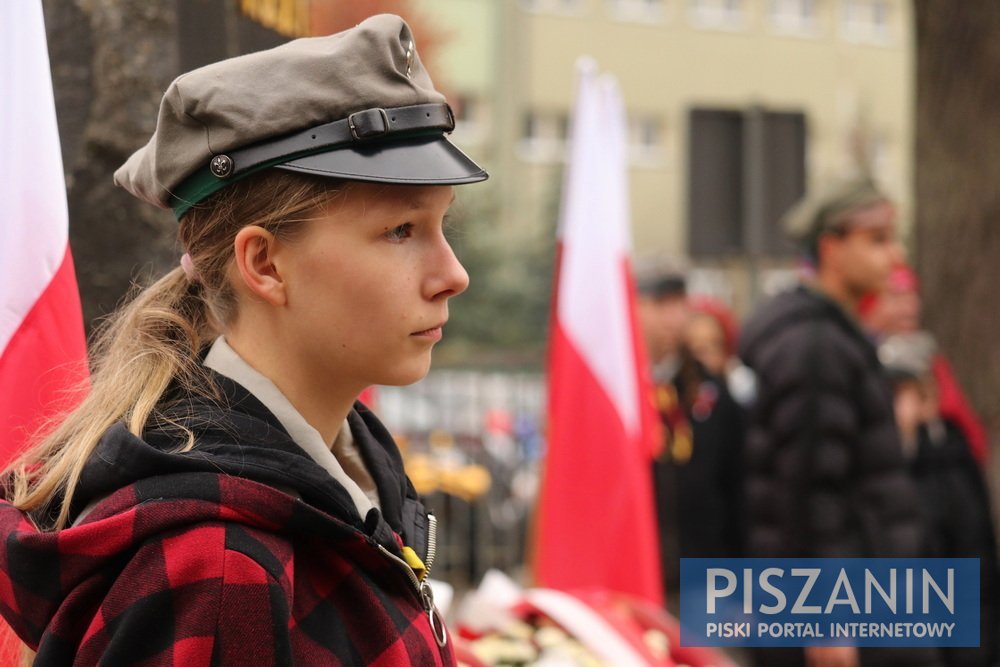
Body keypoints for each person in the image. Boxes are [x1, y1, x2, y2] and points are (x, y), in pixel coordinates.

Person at [0, 15, 486, 665]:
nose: (453, 275)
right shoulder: (223, 575)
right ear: (264, 263)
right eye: (401, 230)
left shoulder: (346, 469)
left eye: (441, 224)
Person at [738, 177, 941, 667]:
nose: (894, 257)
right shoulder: (816, 346)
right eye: (877, 241)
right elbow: (808, 489)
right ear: (831, 247)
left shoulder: (835, 336)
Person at [880, 332, 999, 667]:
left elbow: (973, 567)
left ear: (926, 401)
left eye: (900, 396)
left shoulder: (951, 468)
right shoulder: (868, 471)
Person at [634, 258, 744, 605]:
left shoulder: (710, 392)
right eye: (659, 304)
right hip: (634, 575)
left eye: (680, 305)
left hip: (705, 580)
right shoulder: (616, 393)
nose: (673, 317)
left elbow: (738, 489)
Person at [861, 263, 989, 467]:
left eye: (912, 296)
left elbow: (972, 435)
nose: (909, 307)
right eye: (896, 297)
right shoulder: (861, 361)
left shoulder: (929, 359)